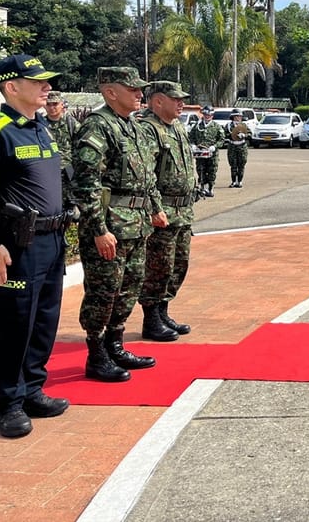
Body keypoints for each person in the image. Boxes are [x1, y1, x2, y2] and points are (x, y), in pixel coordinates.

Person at [0, 54, 70, 438]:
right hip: (16, 246)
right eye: (38, 81)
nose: (47, 87)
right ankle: (7, 402)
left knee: (43, 323)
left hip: (52, 241)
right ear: (12, 87)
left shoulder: (41, 127)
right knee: (13, 327)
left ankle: (31, 391)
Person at [72, 66, 166, 382]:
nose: (140, 94)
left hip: (136, 225)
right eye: (133, 89)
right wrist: (99, 230)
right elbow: (87, 184)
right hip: (110, 226)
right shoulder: (97, 127)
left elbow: (147, 175)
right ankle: (96, 355)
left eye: (141, 89)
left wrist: (155, 208)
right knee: (104, 290)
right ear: (111, 92)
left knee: (129, 287)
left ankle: (115, 346)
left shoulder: (134, 127)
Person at [137, 81, 197, 342]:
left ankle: (163, 312)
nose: (181, 103)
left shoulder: (178, 128)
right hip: (164, 211)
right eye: (176, 99)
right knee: (158, 267)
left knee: (177, 266)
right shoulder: (149, 130)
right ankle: (151, 319)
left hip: (183, 210)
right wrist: (154, 208)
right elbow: (145, 174)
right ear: (158, 101)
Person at [44, 90, 79, 198]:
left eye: (55, 104)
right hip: (48, 171)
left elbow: (80, 147)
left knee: (71, 201)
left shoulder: (71, 123)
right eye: (48, 104)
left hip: (69, 170)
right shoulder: (40, 125)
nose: (52, 107)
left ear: (62, 105)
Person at [189, 106, 224, 197]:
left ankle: (210, 188)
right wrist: (192, 145)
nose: (207, 116)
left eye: (209, 115)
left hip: (212, 153)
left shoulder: (216, 126)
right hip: (200, 152)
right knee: (201, 169)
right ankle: (203, 188)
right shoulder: (197, 125)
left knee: (212, 170)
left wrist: (215, 146)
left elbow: (221, 139)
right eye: (205, 115)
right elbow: (191, 137)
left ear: (212, 116)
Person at [225, 109, 250, 187]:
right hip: (232, 146)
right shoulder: (229, 125)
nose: (239, 118)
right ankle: (233, 181)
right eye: (237, 116)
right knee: (233, 164)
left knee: (241, 164)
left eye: (240, 116)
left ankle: (239, 181)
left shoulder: (244, 125)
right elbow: (224, 134)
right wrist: (231, 136)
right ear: (233, 117)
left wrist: (244, 135)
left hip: (242, 146)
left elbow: (250, 134)